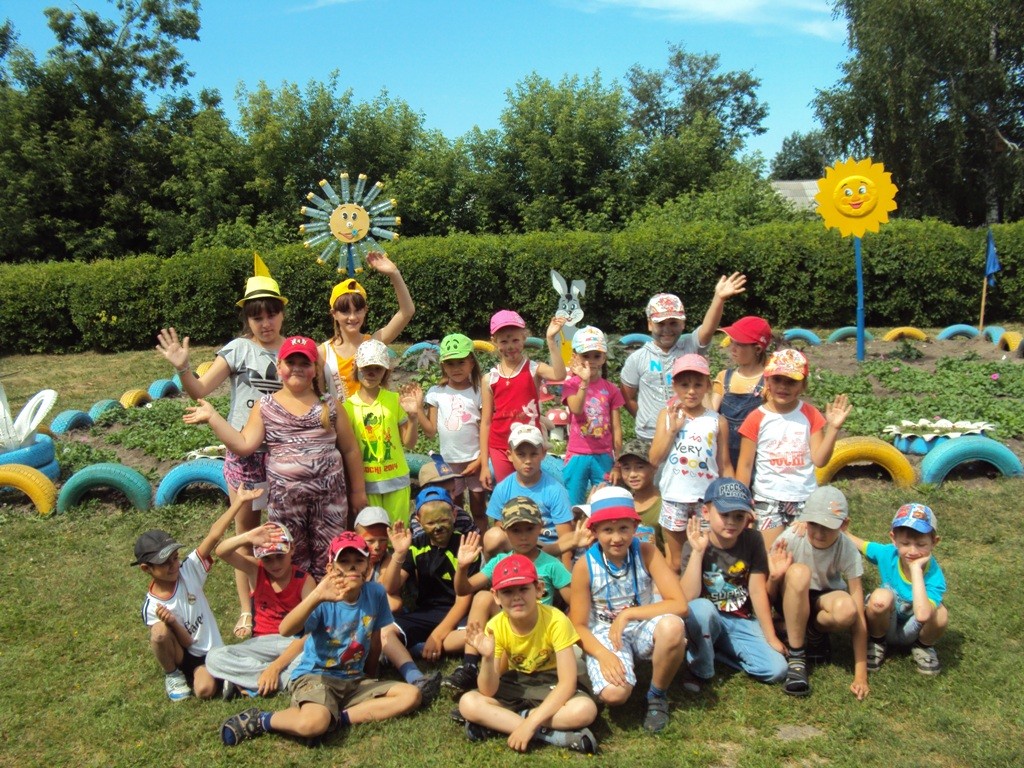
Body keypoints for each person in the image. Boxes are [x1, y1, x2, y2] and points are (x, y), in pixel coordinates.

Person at [157, 254, 287, 640]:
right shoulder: (237, 349)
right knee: (246, 531)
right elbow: (199, 389)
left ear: (282, 314)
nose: (265, 323)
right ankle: (248, 608)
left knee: (282, 528)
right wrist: (183, 367)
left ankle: (282, 597)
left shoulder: (293, 350)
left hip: (282, 454)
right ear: (246, 319)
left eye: (271, 314)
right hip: (244, 455)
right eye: (256, 316)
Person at [183, 336, 366, 581]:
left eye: (305, 363)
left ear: (315, 369)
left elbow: (350, 450)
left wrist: (358, 492)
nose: (297, 368)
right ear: (279, 367)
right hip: (286, 505)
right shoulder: (265, 406)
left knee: (330, 557)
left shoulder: (330, 405)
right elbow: (244, 445)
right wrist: (213, 418)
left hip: (330, 503)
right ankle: (300, 603)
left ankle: (330, 601)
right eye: (291, 362)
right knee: (292, 559)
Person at [219, 532, 422, 747]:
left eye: (359, 560)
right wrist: (316, 595)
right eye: (344, 561)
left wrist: (371, 676)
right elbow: (285, 629)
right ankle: (261, 719)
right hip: (317, 677)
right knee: (313, 724)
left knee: (411, 695)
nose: (352, 567)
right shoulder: (323, 599)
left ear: (368, 567)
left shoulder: (376, 593)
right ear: (331, 568)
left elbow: (375, 641)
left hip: (353, 679)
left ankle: (339, 718)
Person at [569, 486, 688, 733]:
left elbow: (679, 604)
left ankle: (656, 695)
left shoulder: (646, 551)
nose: (617, 538)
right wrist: (603, 654)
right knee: (615, 694)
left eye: (624, 528)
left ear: (635, 527)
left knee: (673, 627)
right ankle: (607, 672)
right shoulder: (584, 566)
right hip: (605, 630)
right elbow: (578, 624)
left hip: (642, 622)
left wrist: (629, 613)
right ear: (594, 531)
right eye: (607, 530)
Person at [457, 555, 599, 754]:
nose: (516, 597)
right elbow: (488, 690)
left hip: (551, 682)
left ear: (539, 589)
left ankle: (507, 721)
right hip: (517, 683)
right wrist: (488, 658)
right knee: (468, 703)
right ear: (496, 596)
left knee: (584, 710)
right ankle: (552, 735)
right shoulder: (496, 625)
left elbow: (567, 683)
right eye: (507, 592)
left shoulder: (556, 620)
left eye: (523, 589)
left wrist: (530, 723)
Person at [135, 486, 261, 701]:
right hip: (186, 653)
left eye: (175, 558)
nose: (174, 566)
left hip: (211, 651)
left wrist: (239, 502)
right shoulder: (152, 606)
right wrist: (171, 622)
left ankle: (222, 676)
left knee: (204, 690)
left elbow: (214, 535)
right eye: (165, 563)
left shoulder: (189, 571)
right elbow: (186, 642)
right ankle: (173, 674)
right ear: (147, 569)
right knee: (159, 633)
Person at [445, 497, 573, 693]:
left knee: (449, 642)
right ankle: (469, 665)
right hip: (507, 625)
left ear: (540, 527)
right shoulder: (500, 561)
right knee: (481, 597)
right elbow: (464, 589)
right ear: (504, 531)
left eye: (529, 529)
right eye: (516, 530)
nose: (523, 537)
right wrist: (462, 568)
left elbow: (575, 602)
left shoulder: (551, 564)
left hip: (538, 629)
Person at [736, 348, 851, 551]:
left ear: (803, 385)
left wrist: (833, 429)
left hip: (804, 499)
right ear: (767, 381)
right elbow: (745, 465)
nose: (783, 386)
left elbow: (820, 460)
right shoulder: (756, 418)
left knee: (803, 554)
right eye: (777, 379)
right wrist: (741, 502)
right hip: (767, 499)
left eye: (791, 381)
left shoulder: (810, 414)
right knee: (771, 555)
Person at [679, 478, 788, 687]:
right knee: (701, 609)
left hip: (739, 619)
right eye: (724, 514)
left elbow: (757, 591)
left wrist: (771, 636)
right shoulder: (694, 543)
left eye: (739, 516)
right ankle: (700, 668)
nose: (731, 522)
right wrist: (698, 552)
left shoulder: (753, 540)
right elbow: (687, 598)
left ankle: (718, 652)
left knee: (777, 670)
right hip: (705, 618)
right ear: (706, 513)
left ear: (747, 517)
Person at [766, 486, 869, 699]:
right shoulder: (792, 537)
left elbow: (858, 612)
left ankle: (812, 632)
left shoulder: (847, 549)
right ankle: (797, 658)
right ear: (804, 520)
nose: (819, 533)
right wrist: (774, 579)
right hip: (790, 598)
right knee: (799, 573)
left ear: (844, 525)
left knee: (847, 609)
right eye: (813, 524)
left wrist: (861, 675)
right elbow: (766, 593)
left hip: (822, 599)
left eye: (828, 527)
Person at [619, 274, 746, 444]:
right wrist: (644, 419)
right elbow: (627, 397)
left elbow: (708, 329)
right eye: (660, 323)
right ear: (649, 324)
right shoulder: (637, 358)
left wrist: (719, 298)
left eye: (673, 323)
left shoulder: (690, 346)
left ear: (683, 324)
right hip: (650, 437)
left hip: (687, 433)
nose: (667, 329)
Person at [205, 520, 314, 699]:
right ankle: (280, 680)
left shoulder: (305, 581)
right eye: (267, 558)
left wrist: (276, 666)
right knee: (214, 657)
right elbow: (221, 551)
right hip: (260, 643)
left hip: (292, 643)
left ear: (292, 549)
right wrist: (247, 537)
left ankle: (250, 681)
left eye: (280, 556)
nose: (275, 564)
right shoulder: (256, 570)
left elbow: (309, 633)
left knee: (313, 656)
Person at [649, 354, 733, 574]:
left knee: (705, 555)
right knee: (676, 562)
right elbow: (654, 458)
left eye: (698, 385)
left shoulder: (717, 421)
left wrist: (733, 496)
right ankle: (675, 594)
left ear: (707, 386)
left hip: (706, 500)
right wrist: (672, 430)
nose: (691, 391)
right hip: (674, 497)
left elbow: (724, 464)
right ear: (674, 386)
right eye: (684, 385)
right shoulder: (667, 416)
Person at [844, 503, 947, 676]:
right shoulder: (888, 553)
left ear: (934, 542)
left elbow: (922, 615)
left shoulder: (935, 576)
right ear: (893, 539)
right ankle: (877, 641)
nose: (912, 551)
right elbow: (862, 545)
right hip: (886, 622)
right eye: (905, 543)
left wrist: (916, 570)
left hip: (914, 628)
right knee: (879, 597)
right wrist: (842, 532)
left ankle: (923, 647)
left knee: (941, 614)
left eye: (921, 544)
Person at [382, 487, 479, 662]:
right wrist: (399, 554)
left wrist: (437, 636)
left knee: (473, 636)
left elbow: (463, 601)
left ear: (454, 515)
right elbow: (390, 587)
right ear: (419, 521)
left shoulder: (466, 546)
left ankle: (418, 647)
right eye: (430, 523)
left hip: (459, 614)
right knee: (384, 630)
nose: (438, 528)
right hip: (427, 613)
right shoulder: (416, 545)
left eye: (444, 520)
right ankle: (413, 671)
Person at [479, 310, 566, 489]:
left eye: (515, 340)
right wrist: (484, 465)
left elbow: (559, 374)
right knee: (508, 491)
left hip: (530, 445)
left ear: (524, 338)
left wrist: (550, 339)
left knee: (531, 489)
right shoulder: (490, 378)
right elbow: (486, 422)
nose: (510, 346)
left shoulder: (534, 369)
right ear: (494, 342)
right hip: (500, 446)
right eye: (504, 341)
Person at [319, 251, 415, 400]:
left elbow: (407, 312)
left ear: (365, 310)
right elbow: (319, 398)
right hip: (339, 415)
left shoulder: (374, 342)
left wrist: (394, 274)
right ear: (334, 313)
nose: (352, 317)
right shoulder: (322, 352)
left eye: (358, 310)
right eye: (345, 311)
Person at [342, 338, 419, 526]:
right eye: (366, 367)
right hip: (366, 485)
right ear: (356, 368)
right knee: (372, 536)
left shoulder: (395, 400)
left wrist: (413, 417)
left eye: (377, 368)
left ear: (386, 371)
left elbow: (409, 443)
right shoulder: (347, 407)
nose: (371, 373)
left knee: (398, 534)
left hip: (397, 482)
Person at [417, 333, 487, 530]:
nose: (456, 368)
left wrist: (480, 460)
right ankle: (459, 543)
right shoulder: (436, 392)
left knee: (479, 509)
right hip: (448, 464)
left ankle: (483, 545)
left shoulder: (479, 391)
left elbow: (486, 426)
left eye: (461, 362)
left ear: (472, 362)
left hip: (475, 460)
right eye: (450, 363)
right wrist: (417, 410)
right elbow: (430, 431)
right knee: (454, 509)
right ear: (443, 366)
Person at [482, 424, 574, 563]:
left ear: (543, 454)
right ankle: (494, 573)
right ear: (510, 455)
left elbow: (566, 539)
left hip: (548, 551)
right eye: (521, 454)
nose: (528, 461)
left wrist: (567, 574)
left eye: (533, 454)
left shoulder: (555, 490)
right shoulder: (502, 488)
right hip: (516, 547)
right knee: (492, 537)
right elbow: (501, 529)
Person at [560, 326, 624, 506]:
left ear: (604, 357)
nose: (591, 361)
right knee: (573, 504)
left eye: (596, 356)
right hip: (577, 454)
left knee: (605, 503)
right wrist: (584, 382)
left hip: (603, 455)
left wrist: (618, 462)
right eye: (586, 356)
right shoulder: (571, 385)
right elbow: (576, 409)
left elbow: (617, 428)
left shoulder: (611, 389)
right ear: (575, 356)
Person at [711, 315, 773, 471]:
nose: (732, 348)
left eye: (739, 344)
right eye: (732, 342)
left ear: (757, 349)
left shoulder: (769, 382)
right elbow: (710, 413)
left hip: (755, 458)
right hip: (723, 456)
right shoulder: (724, 377)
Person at [410, 452, 477, 538]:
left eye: (453, 490)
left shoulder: (461, 516)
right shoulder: (419, 519)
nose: (453, 497)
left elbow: (475, 539)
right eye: (446, 493)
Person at [615, 440, 664, 553]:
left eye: (640, 467)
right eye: (626, 468)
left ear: (654, 468)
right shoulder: (622, 504)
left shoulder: (664, 505)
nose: (632, 474)